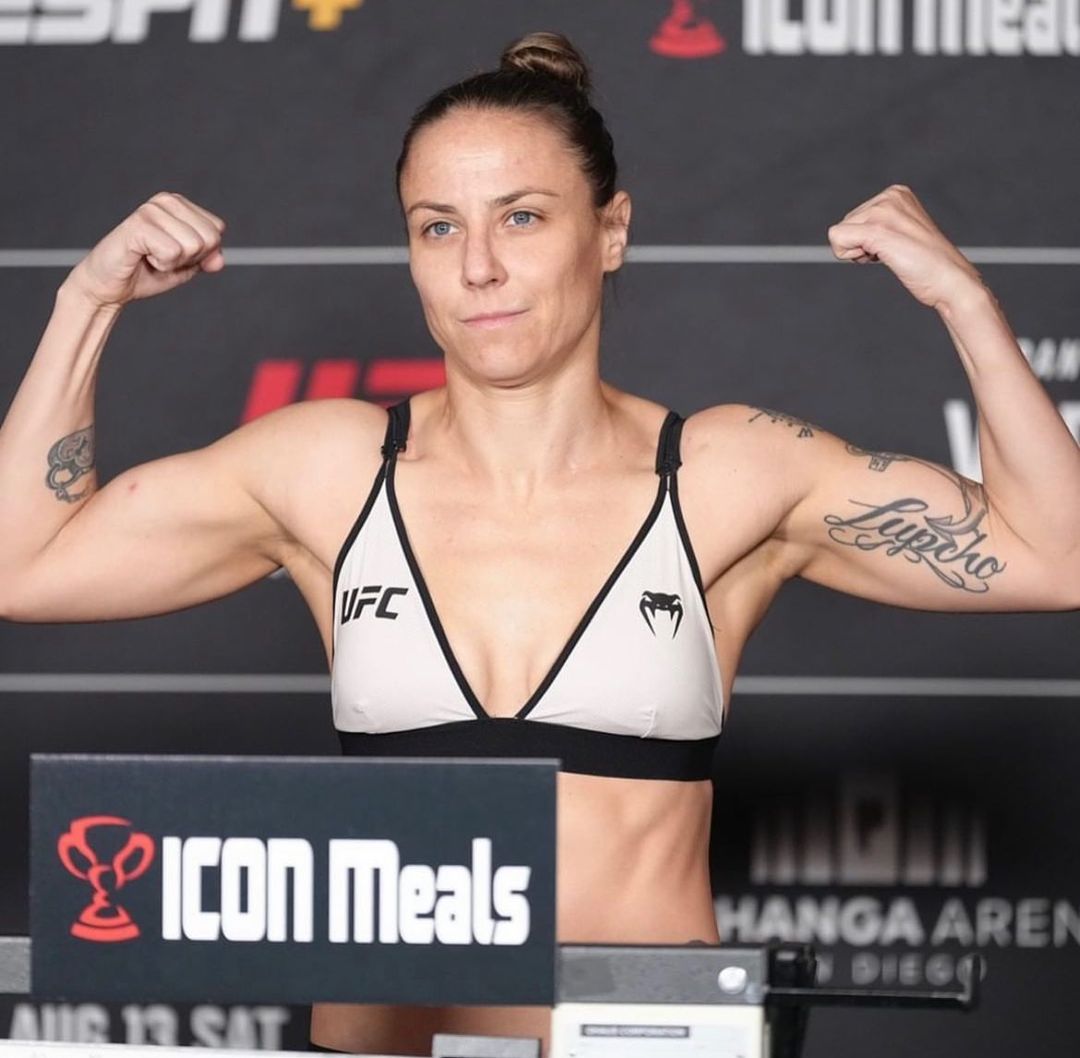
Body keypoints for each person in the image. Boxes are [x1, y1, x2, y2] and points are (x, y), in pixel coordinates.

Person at [1, 28, 1077, 1058]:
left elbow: (1054, 554)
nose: (478, 266)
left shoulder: (726, 473)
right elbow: (24, 565)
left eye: (521, 217)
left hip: (647, 1046)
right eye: (438, 226)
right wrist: (87, 301)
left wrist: (965, 300)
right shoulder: (328, 470)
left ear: (610, 231)